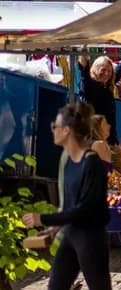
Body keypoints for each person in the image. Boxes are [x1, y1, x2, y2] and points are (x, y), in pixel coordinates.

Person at [23, 102, 112, 290]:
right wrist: (54, 228)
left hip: (91, 238)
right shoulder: (66, 160)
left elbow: (85, 209)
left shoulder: (92, 163)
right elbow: (68, 204)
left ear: (67, 131)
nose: (52, 130)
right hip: (70, 235)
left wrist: (43, 218)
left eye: (55, 126)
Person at [77, 54, 121, 147]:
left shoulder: (107, 85)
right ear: (95, 69)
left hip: (109, 139)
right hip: (94, 140)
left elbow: (120, 70)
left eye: (109, 71)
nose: (106, 74)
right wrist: (83, 59)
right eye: (103, 70)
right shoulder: (89, 86)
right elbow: (84, 74)